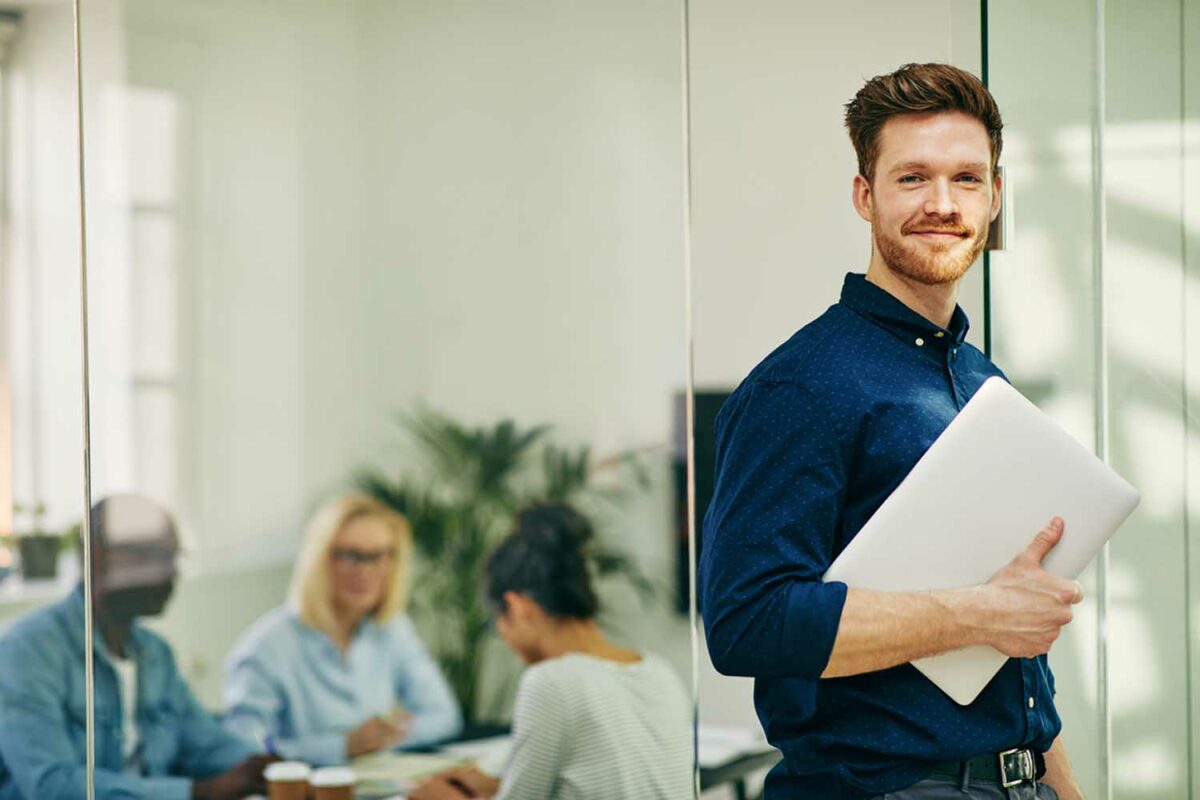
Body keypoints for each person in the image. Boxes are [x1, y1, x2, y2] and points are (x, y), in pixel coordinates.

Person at [699, 63, 1086, 800]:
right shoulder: (802, 385)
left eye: (967, 179)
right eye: (913, 178)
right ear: (864, 195)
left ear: (996, 198)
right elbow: (745, 622)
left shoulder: (983, 383)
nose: (942, 204)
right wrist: (981, 612)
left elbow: (1019, 655)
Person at [408, 503, 691, 800]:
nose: (502, 638)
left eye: (496, 624)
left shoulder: (551, 681)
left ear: (518, 609)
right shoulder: (659, 670)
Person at [0, 494, 273, 800]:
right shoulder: (28, 652)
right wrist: (198, 792)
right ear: (98, 560)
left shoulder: (155, 654)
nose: (171, 573)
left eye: (172, 557)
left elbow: (208, 744)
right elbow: (51, 785)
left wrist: (277, 769)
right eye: (154, 558)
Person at [222, 493, 461, 765]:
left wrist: (382, 739)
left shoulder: (393, 629)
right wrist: (339, 746)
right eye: (350, 555)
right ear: (318, 560)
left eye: (378, 556)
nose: (365, 571)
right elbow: (244, 748)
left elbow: (443, 715)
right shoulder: (267, 646)